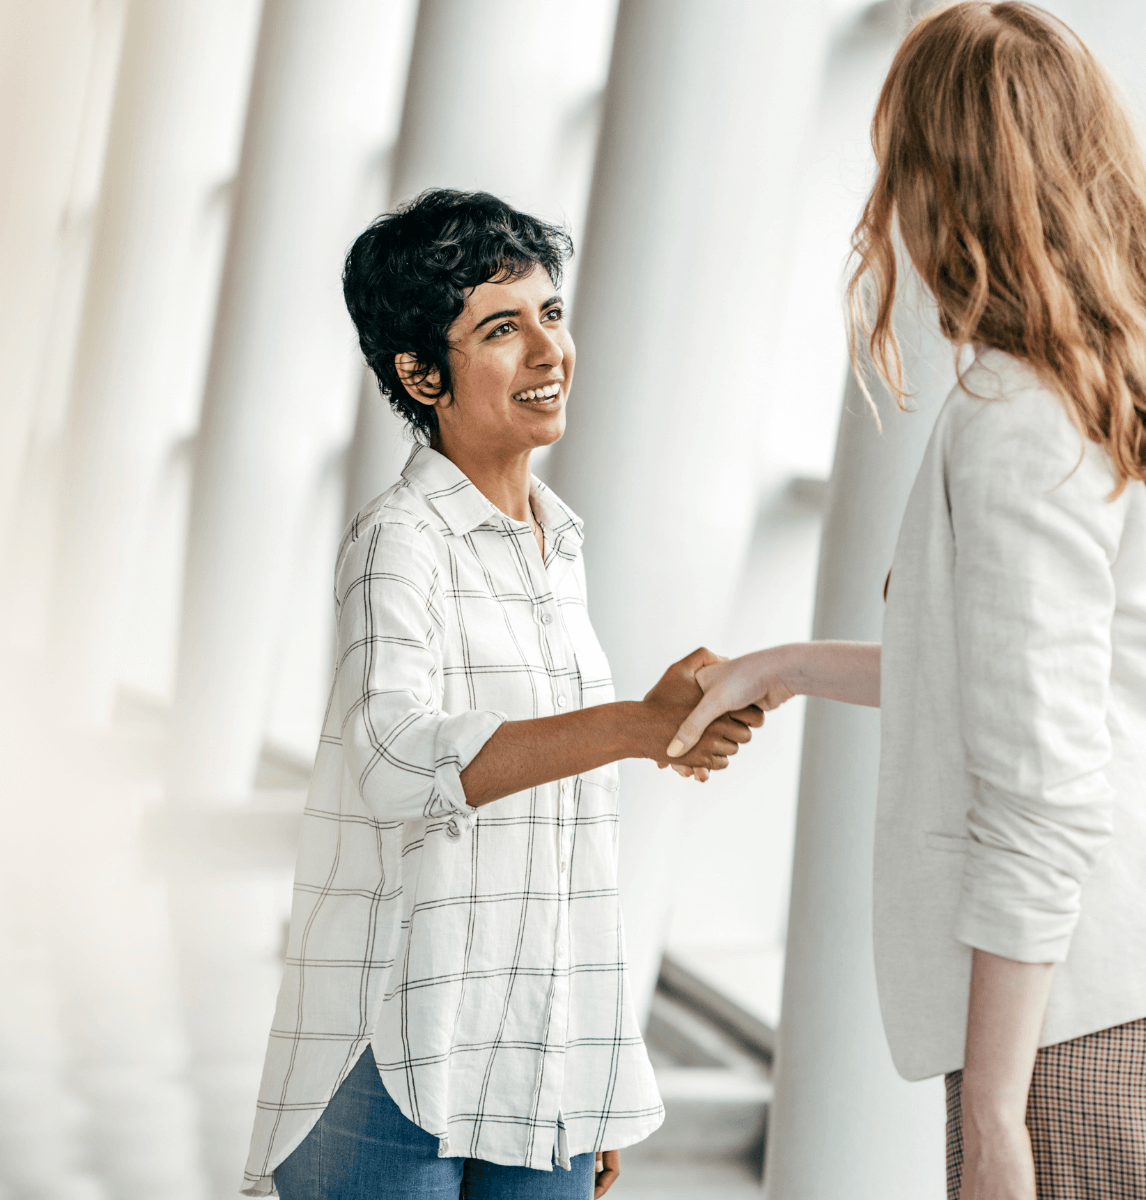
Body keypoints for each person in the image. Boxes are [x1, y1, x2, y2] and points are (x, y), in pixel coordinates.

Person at [665, 5, 1146, 1198]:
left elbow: (1041, 786)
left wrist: (997, 1115)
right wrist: (787, 665)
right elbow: (1037, 679)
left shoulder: (1017, 416)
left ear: (941, 183)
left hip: (1094, 1003)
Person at [241, 189, 764, 1199]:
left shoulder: (554, 546)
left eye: (552, 315)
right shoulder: (399, 540)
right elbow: (396, 760)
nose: (547, 351)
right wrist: (636, 726)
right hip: (397, 1044)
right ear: (420, 371)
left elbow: (569, 844)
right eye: (501, 327)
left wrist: (599, 1068)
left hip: (538, 1059)